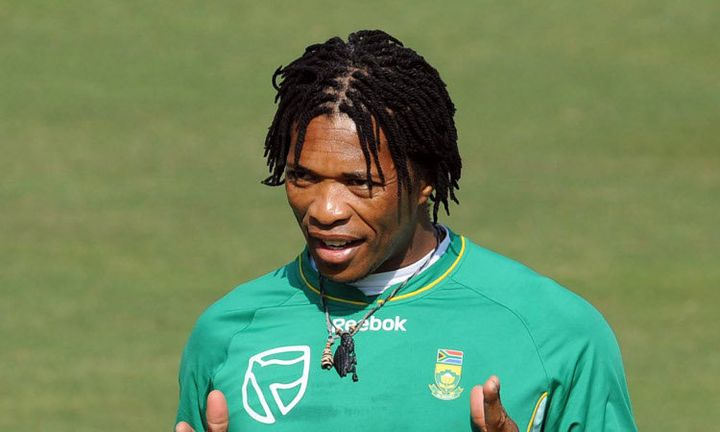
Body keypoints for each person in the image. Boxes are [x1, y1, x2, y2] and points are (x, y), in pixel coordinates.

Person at [175, 30, 637, 432]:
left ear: (425, 182)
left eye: (361, 183)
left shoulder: (555, 333)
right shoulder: (227, 332)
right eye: (303, 177)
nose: (325, 210)